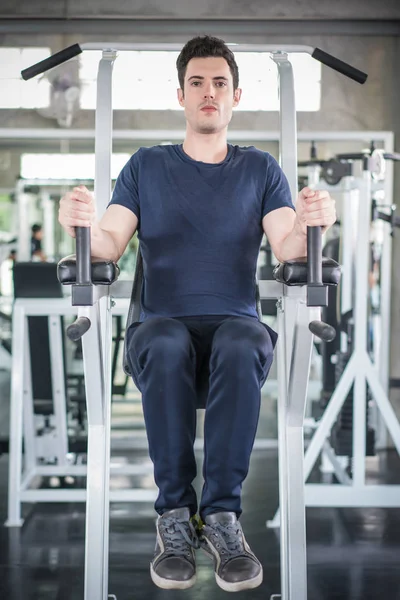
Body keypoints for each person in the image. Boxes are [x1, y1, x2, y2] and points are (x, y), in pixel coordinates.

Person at [58, 36, 336, 592]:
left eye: (219, 84)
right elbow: (110, 241)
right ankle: (176, 520)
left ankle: (224, 520)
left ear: (236, 96)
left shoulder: (261, 169)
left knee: (244, 340)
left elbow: (288, 246)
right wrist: (79, 226)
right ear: (180, 95)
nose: (208, 93)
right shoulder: (147, 166)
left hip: (233, 332)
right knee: (164, 341)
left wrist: (317, 224)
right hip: (160, 333)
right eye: (197, 83)